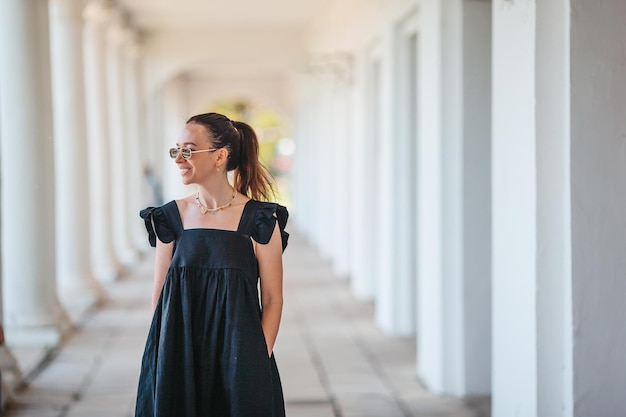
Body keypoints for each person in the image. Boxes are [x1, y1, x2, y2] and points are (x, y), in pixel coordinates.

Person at [135, 113, 288, 417]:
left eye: (189, 150)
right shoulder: (169, 218)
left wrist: (258, 357)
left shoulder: (259, 220)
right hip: (178, 356)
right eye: (176, 150)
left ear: (220, 156)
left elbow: (272, 299)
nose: (179, 158)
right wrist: (162, 356)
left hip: (240, 358)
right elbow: (160, 294)